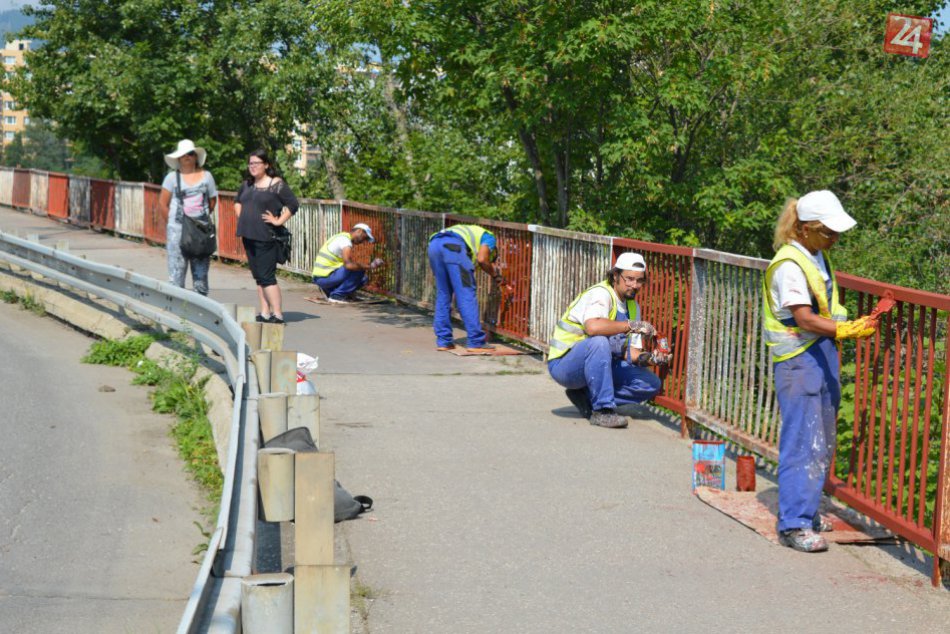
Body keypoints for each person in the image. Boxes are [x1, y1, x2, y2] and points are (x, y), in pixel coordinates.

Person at [764, 190, 879, 552]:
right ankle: (794, 525)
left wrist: (855, 323)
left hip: (821, 354)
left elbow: (827, 308)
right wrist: (847, 330)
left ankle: (808, 511)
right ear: (804, 228)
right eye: (828, 232)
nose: (835, 238)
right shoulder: (789, 265)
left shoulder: (818, 256)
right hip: (799, 360)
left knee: (822, 440)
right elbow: (804, 318)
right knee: (803, 440)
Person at [547, 252, 664, 429]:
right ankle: (602, 410)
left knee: (650, 384)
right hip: (565, 364)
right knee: (599, 341)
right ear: (615, 275)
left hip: (600, 364)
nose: (635, 285)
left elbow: (627, 350)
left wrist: (650, 359)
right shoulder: (601, 294)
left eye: (639, 280)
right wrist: (630, 325)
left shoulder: (633, 306)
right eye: (629, 279)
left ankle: (587, 397)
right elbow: (593, 328)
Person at [235, 149, 299, 324]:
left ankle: (277, 314)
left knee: (267, 276)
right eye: (250, 163)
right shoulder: (247, 184)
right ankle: (265, 312)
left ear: (266, 165)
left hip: (266, 236)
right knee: (258, 277)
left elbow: (293, 204)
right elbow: (238, 201)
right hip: (248, 235)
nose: (253, 167)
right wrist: (243, 217)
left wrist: (278, 221)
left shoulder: (275, 184)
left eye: (256, 163)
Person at [427, 224, 504, 353]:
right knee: (466, 294)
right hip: (453, 248)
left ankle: (444, 341)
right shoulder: (488, 237)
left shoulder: (464, 230)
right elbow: (482, 259)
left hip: (434, 245)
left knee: (443, 294)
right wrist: (495, 275)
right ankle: (476, 341)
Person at [158, 139, 217, 295]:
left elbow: (212, 201)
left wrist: (198, 220)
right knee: (176, 275)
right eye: (183, 154)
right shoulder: (171, 178)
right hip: (177, 230)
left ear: (196, 157)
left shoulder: (207, 176)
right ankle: (178, 314)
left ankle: (200, 313)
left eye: (191, 153)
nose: (187, 157)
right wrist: (172, 223)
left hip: (200, 231)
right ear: (178, 158)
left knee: (201, 277)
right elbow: (163, 204)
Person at [311, 223, 384, 303]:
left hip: (322, 278)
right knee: (359, 270)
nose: (363, 241)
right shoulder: (345, 241)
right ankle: (336, 296)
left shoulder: (341, 236)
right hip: (324, 278)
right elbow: (348, 265)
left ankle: (331, 292)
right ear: (359, 231)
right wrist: (371, 266)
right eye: (365, 238)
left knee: (363, 279)